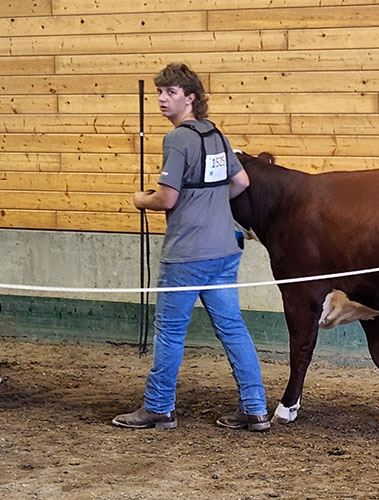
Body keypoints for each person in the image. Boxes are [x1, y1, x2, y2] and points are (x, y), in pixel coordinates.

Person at [112, 63, 269, 431]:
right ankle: (255, 407)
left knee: (169, 331)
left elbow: (166, 199)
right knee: (233, 329)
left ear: (190, 97)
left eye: (170, 93)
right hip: (224, 250)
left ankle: (159, 407)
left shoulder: (177, 139)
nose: (162, 100)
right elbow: (241, 181)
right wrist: (209, 204)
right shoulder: (216, 134)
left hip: (186, 254)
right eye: (160, 93)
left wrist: (140, 199)